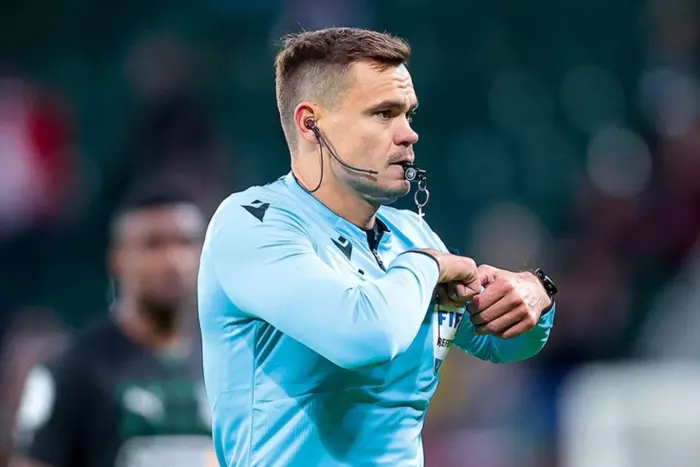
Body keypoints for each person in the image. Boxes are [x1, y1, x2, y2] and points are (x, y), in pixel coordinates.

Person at [198, 27, 558, 466]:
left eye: (409, 114)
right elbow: (363, 337)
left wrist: (535, 293)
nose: (409, 134)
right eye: (384, 114)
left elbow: (500, 345)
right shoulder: (252, 225)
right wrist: (426, 266)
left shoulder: (411, 235)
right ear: (311, 124)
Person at [11, 184, 215, 467]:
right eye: (153, 244)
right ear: (117, 260)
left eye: (186, 242)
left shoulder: (226, 366)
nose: (172, 260)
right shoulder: (72, 370)